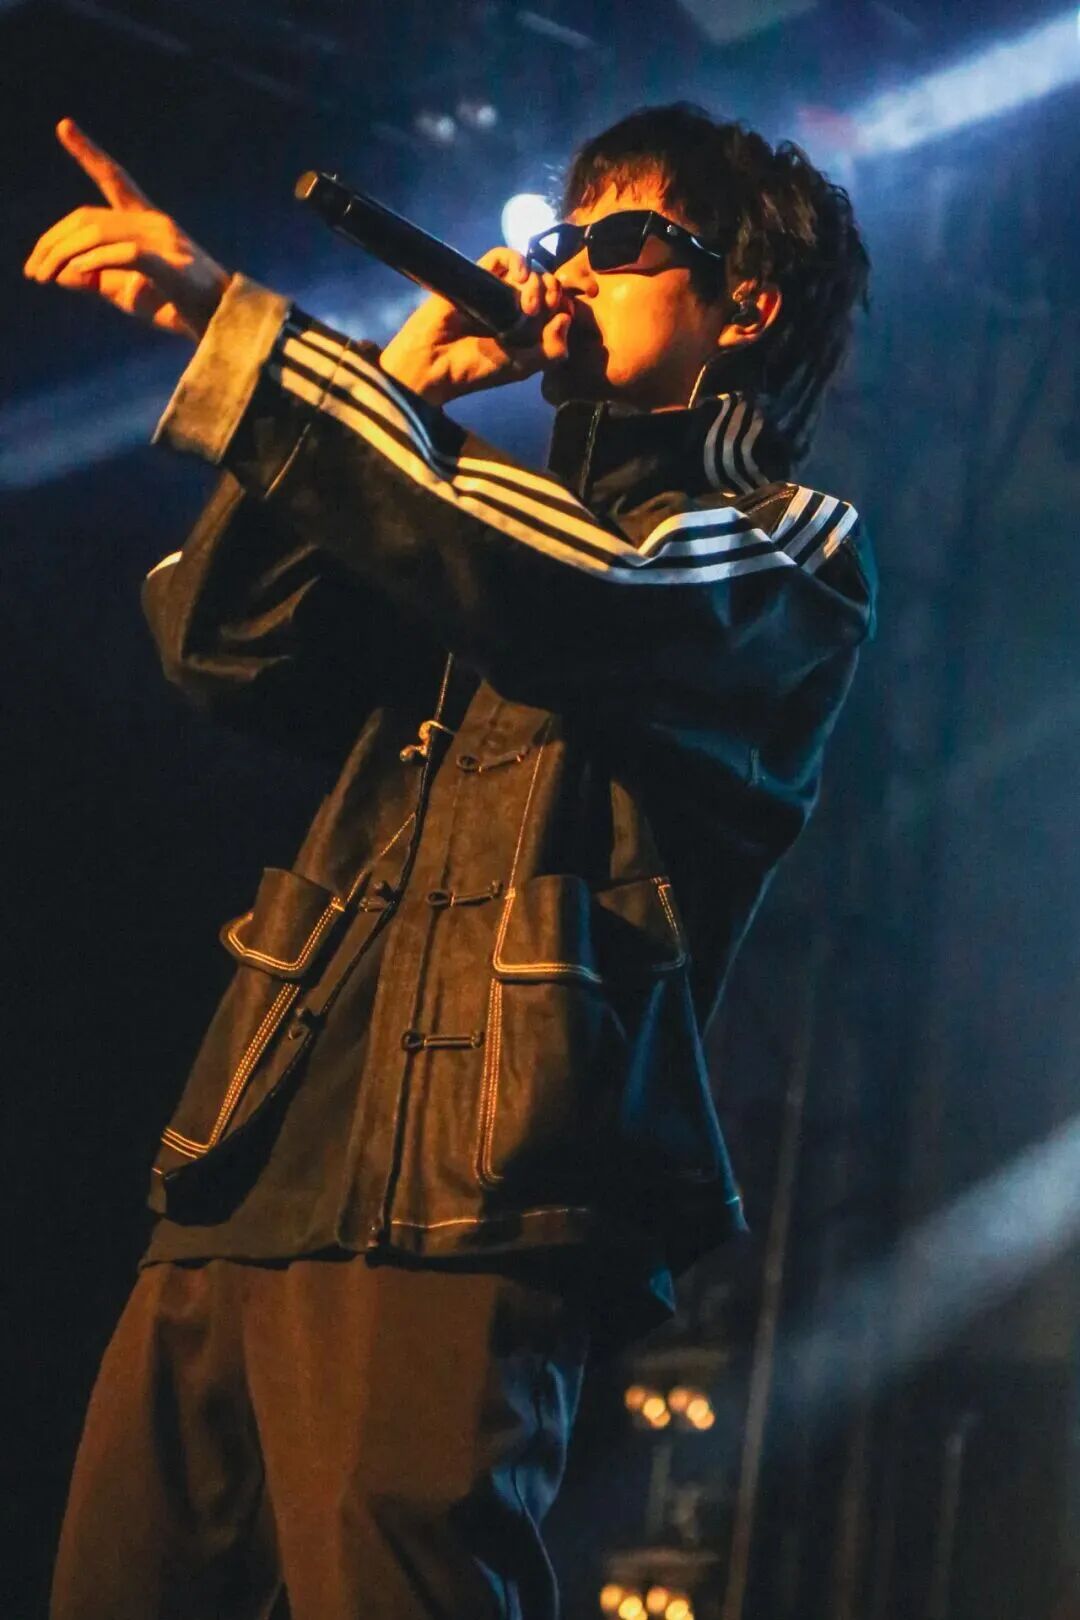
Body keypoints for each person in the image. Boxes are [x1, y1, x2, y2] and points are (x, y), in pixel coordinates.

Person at [26, 103, 875, 1620]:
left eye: (623, 242)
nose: (567, 269)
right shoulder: (456, 514)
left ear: (745, 305)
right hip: (256, 1157)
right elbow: (218, 642)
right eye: (565, 237)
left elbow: (580, 590)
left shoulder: (787, 545)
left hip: (478, 1193)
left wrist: (253, 333)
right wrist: (397, 382)